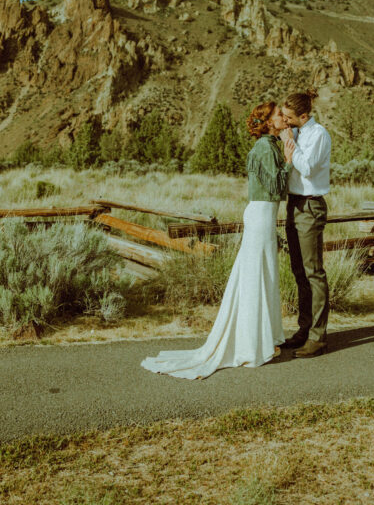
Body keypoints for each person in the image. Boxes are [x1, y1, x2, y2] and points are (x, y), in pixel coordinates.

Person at [141, 102, 290, 380]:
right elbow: (276, 188)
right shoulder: (264, 148)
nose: (284, 118)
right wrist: (290, 162)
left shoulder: (270, 146)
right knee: (256, 275)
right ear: (269, 122)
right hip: (261, 216)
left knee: (261, 275)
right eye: (279, 115)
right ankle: (251, 344)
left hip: (263, 216)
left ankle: (262, 338)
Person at [279, 89, 331, 357]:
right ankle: (304, 329)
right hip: (293, 204)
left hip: (310, 205)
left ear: (303, 115)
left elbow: (308, 167)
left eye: (288, 117)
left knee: (313, 272)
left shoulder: (318, 134)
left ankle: (318, 336)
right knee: (298, 270)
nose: (285, 121)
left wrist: (291, 146)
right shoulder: (296, 133)